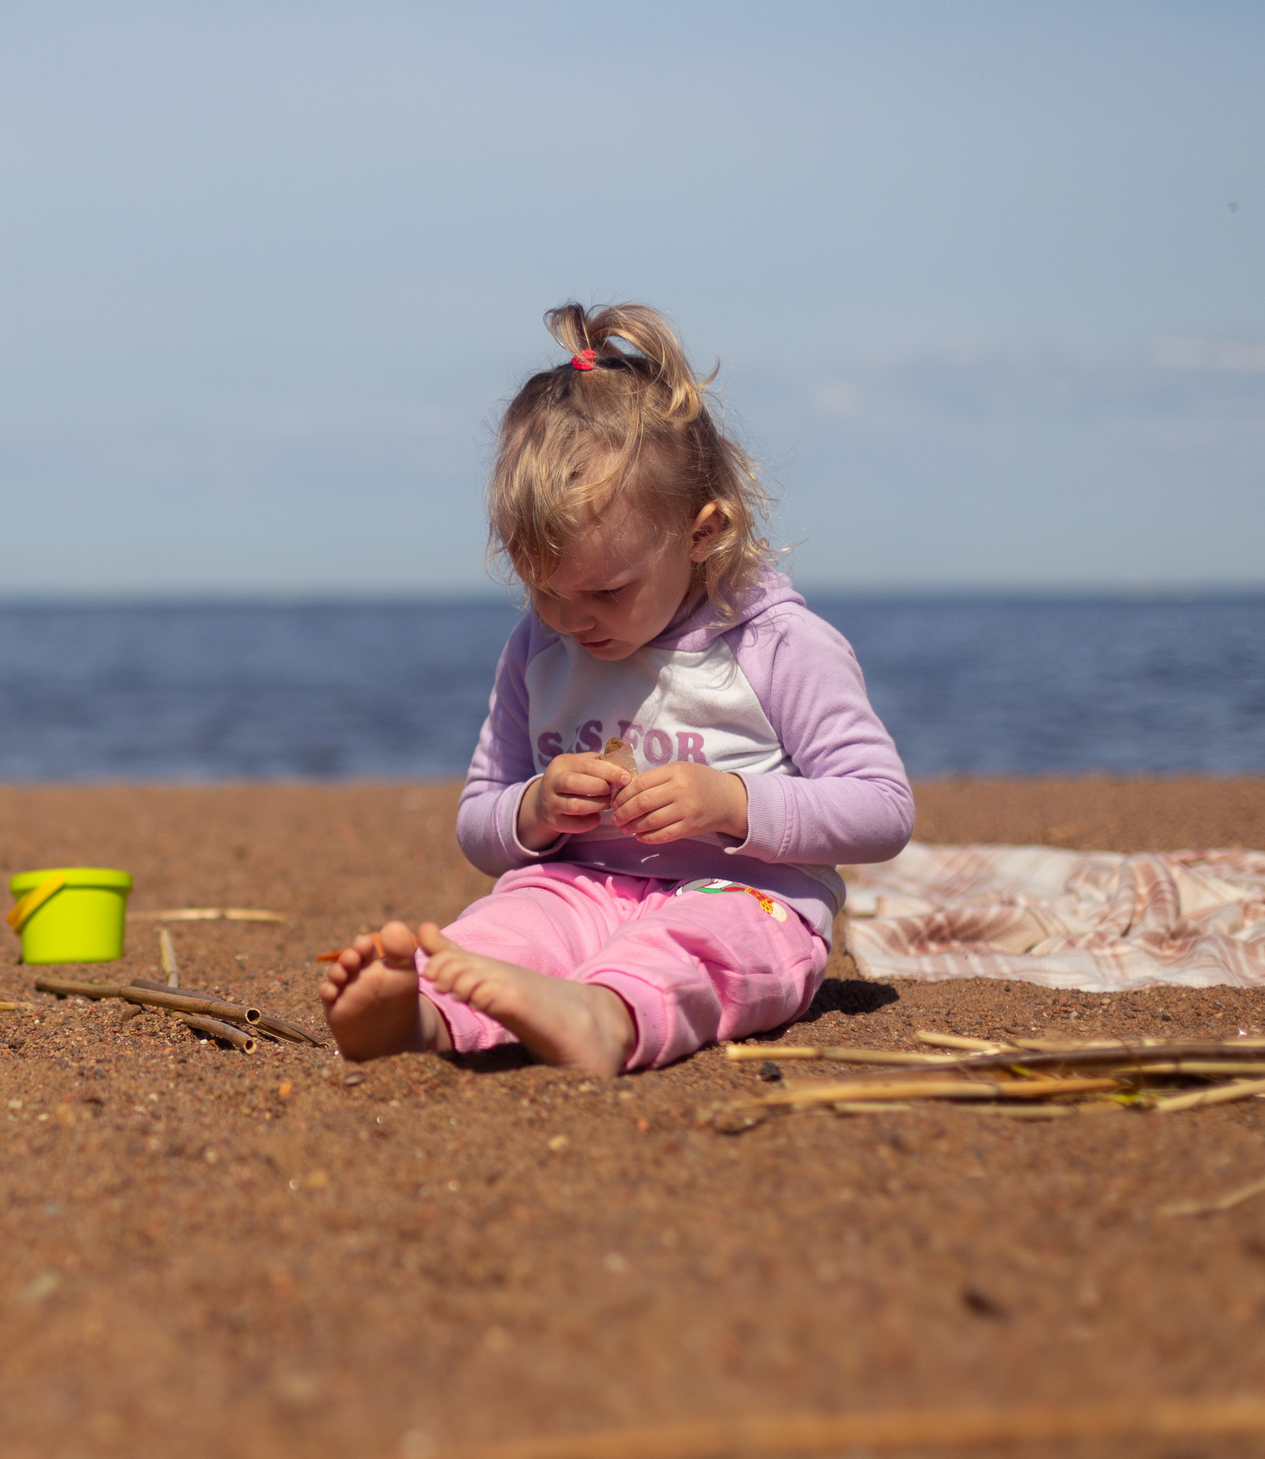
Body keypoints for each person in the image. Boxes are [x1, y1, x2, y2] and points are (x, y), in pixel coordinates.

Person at [321, 302, 912, 1077]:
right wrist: (534, 807)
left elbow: (883, 809)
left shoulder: (775, 642)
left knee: (698, 946)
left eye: (606, 592)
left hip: (746, 892)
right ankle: (423, 1015)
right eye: (546, 592)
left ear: (703, 531)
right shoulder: (539, 648)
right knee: (511, 926)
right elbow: (478, 821)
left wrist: (733, 802)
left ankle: (605, 1016)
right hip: (576, 883)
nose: (574, 621)